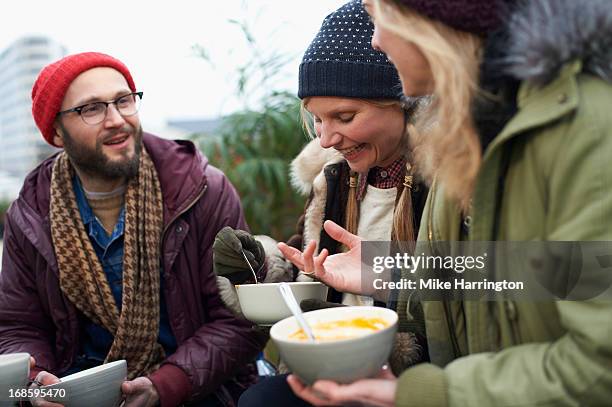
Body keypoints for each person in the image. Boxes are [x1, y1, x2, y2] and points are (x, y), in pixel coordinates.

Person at [279, 0, 612, 405]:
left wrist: (431, 394)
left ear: (436, 20)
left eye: (382, 16)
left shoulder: (586, 133)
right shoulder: (471, 135)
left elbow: (599, 366)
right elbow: (526, 275)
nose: (376, 42)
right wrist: (389, 274)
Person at [0, 52, 266, 407]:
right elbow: (18, 327)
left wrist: (165, 386)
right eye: (91, 108)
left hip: (195, 389)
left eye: (124, 101)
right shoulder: (29, 214)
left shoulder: (200, 190)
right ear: (57, 132)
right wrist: (36, 385)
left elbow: (241, 318)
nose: (116, 120)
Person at [237, 1, 428, 406]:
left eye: (344, 116)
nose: (326, 138)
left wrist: (389, 274)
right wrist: (263, 262)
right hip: (333, 363)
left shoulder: (446, 179)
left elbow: (495, 281)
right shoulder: (333, 179)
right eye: (317, 119)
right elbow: (308, 266)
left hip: (420, 376)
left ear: (401, 103)